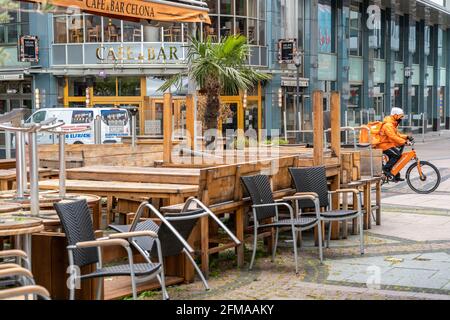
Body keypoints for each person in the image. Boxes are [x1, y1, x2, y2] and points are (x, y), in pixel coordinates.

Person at [377, 107, 414, 182]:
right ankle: (386, 169)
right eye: (400, 116)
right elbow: (393, 136)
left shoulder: (392, 123)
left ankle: (395, 176)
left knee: (396, 157)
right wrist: (404, 142)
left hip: (388, 144)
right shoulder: (388, 125)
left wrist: (406, 137)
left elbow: (397, 134)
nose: (401, 118)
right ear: (395, 115)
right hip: (383, 144)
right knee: (397, 155)